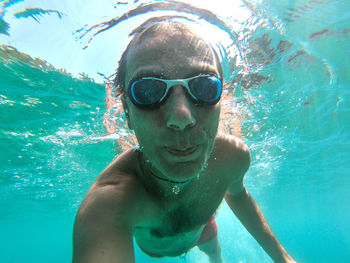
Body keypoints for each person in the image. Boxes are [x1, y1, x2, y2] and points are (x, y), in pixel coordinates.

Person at [72, 18, 296, 263]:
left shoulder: (233, 158)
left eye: (204, 87)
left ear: (221, 102)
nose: (181, 118)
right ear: (126, 112)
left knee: (213, 250)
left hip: (204, 230)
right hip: (156, 250)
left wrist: (284, 259)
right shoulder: (110, 203)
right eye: (148, 91)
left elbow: (238, 194)